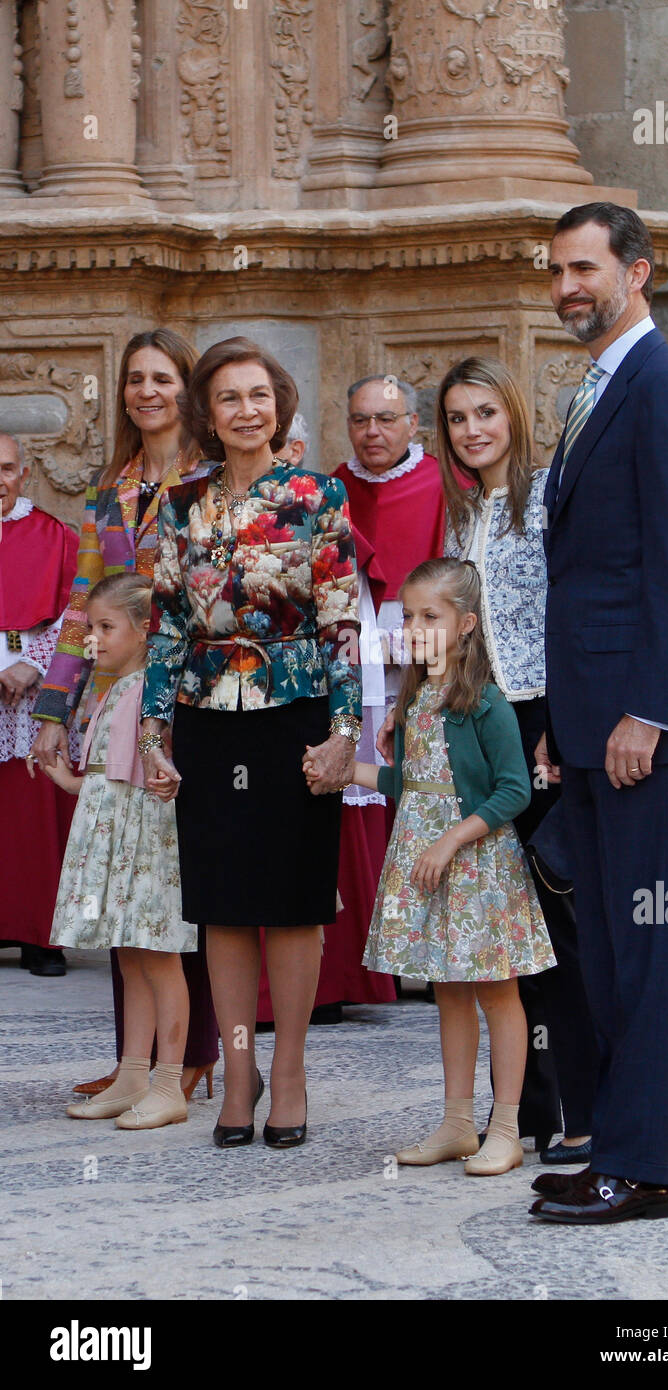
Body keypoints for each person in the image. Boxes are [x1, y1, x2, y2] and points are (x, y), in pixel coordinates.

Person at [529, 202, 668, 1225]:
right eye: (555, 270)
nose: (565, 285)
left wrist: (647, 713)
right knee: (605, 949)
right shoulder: (596, 388)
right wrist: (567, 721)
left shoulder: (667, 385)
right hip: (593, 725)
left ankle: (647, 1169)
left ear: (637, 272)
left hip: (648, 731)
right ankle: (616, 1143)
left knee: (645, 954)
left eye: (582, 268)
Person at [139, 337, 362, 1151]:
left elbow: (341, 621)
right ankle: (238, 1072)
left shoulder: (316, 495)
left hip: (294, 715)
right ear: (207, 412)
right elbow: (164, 626)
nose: (245, 410)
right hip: (204, 716)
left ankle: (292, 1073)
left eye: (258, 395)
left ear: (280, 404)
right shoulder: (179, 504)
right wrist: (153, 732)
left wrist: (345, 733)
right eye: (228, 398)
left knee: (295, 903)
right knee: (224, 908)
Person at [31, 328, 218, 1100]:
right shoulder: (111, 489)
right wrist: (55, 709)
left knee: (184, 883)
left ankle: (195, 1052)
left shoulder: (213, 481)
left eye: (163, 378)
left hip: (193, 698)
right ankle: (135, 1058)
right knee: (125, 878)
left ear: (188, 388)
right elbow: (82, 605)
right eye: (135, 379)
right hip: (119, 698)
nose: (147, 391)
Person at [340, 558, 555, 1178]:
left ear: (465, 624)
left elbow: (515, 791)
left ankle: (508, 1128)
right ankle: (458, 1123)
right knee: (450, 993)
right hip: (426, 856)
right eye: (407, 615)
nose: (413, 627)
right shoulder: (416, 696)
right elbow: (409, 782)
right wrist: (344, 773)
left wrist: (451, 842)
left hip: (478, 867)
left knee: (498, 992)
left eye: (429, 616)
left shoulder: (485, 702)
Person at [437, 356, 598, 1164]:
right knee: (503, 930)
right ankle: (523, 1110)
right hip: (483, 721)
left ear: (512, 416)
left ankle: (583, 1108)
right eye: (459, 417)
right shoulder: (459, 517)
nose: (473, 429)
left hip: (542, 718)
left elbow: (568, 615)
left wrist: (559, 730)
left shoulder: (546, 501)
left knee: (554, 916)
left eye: (485, 413)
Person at [256, 413, 395, 1026]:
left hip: (315, 694)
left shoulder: (326, 511)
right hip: (237, 702)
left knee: (316, 832)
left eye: (287, 444)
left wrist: (347, 723)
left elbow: (349, 624)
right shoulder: (208, 513)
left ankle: (331, 983)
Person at [43, 574, 197, 1129]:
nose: (94, 640)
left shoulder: (152, 690)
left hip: (147, 841)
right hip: (117, 834)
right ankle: (133, 1071)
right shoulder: (115, 689)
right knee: (130, 955)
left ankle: (168, 1080)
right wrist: (70, 784)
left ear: (145, 629)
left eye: (106, 628)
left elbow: (151, 777)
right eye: (90, 628)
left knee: (158, 955)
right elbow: (112, 778)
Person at [0, 434, 78, 976]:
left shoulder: (54, 535)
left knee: (35, 815)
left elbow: (80, 611)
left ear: (24, 474)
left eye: (5, 469)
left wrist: (33, 664)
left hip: (35, 689)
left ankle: (40, 936)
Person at [336, 375, 445, 710]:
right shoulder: (332, 486)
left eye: (385, 419)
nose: (372, 431)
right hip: (354, 633)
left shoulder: (444, 481)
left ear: (412, 424)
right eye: (360, 420)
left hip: (425, 632)